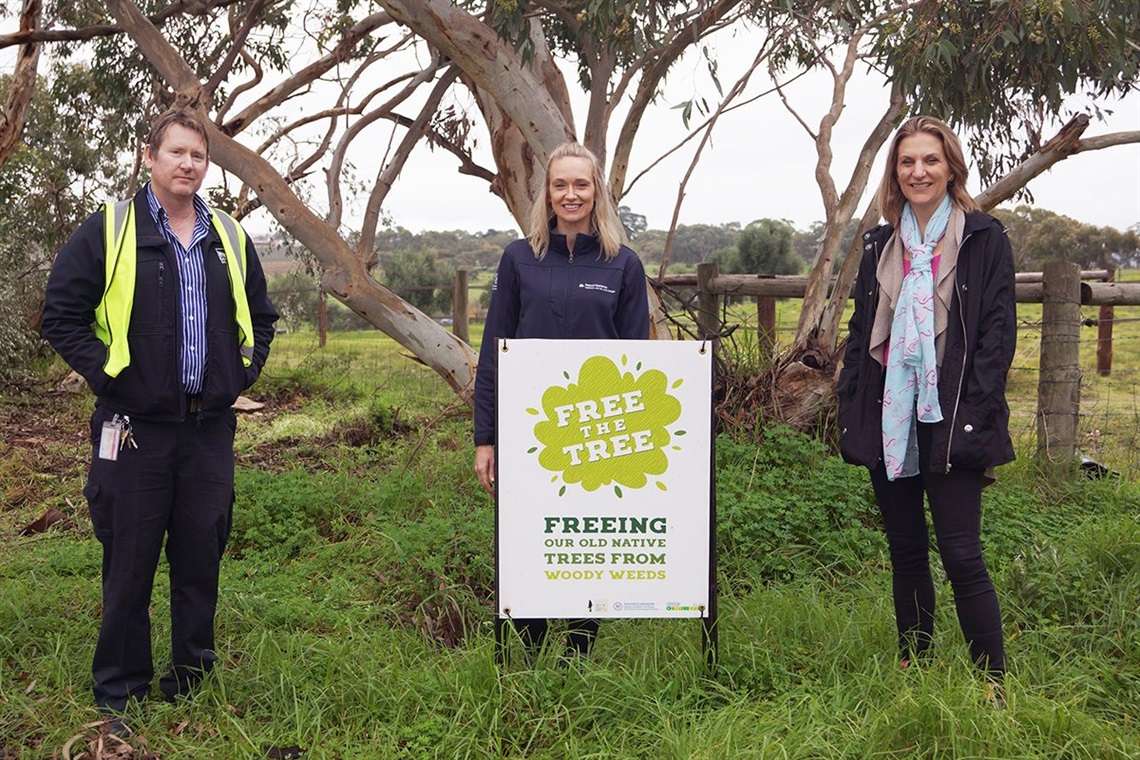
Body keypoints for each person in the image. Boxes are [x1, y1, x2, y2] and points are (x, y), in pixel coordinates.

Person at [42, 107, 278, 730]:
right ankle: (121, 688)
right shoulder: (111, 229)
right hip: (134, 430)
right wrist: (111, 377)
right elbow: (61, 312)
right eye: (175, 153)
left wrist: (240, 375)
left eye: (197, 156)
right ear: (149, 158)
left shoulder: (227, 235)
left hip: (208, 431)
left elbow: (263, 316)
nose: (188, 164)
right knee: (130, 558)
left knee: (201, 554)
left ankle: (191, 676)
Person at [837, 115, 1016, 684]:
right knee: (907, 552)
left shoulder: (984, 238)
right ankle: (914, 669)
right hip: (892, 416)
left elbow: (996, 337)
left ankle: (992, 683)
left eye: (930, 161)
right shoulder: (880, 245)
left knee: (962, 554)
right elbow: (861, 330)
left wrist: (975, 414)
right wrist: (850, 402)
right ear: (896, 172)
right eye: (908, 162)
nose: (919, 171)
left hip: (954, 415)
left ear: (951, 168)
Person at [473, 141, 650, 659]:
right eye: (560, 185)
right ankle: (526, 653)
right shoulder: (519, 259)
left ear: (597, 192)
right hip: (526, 433)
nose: (571, 194)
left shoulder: (624, 265)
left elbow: (636, 363)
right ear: (546, 194)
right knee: (529, 538)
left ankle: (579, 652)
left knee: (584, 542)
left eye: (581, 184)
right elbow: (493, 354)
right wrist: (486, 438)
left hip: (596, 432)